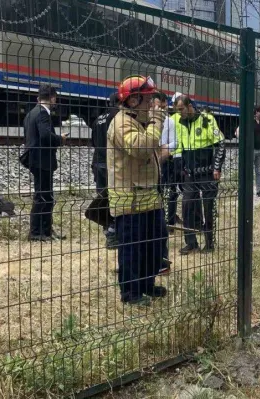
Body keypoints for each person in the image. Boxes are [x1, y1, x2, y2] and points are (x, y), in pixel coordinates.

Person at [107, 75, 169, 305]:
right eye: (148, 99)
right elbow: (140, 148)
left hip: (148, 196)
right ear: (133, 101)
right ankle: (130, 293)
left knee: (154, 242)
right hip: (129, 199)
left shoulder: (139, 121)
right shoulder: (122, 122)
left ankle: (147, 284)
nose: (154, 104)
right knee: (132, 248)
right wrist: (155, 123)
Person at [175, 95, 226, 255]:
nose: (179, 113)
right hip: (190, 173)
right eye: (177, 110)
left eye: (181, 109)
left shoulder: (206, 119)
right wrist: (182, 167)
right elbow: (180, 147)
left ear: (190, 106)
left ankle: (210, 243)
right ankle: (191, 242)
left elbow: (221, 144)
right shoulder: (180, 122)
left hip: (208, 172)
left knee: (208, 207)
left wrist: (217, 168)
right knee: (187, 205)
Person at [23, 84, 68, 241]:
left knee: (44, 195)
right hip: (42, 160)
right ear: (53, 98)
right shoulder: (43, 113)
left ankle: (46, 230)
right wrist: (60, 139)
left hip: (36, 159)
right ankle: (37, 232)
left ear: (39, 97)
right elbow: (45, 136)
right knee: (43, 196)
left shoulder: (31, 113)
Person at [90, 93, 120, 247]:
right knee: (115, 198)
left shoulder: (98, 119)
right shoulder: (117, 117)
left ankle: (107, 229)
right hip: (110, 163)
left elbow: (93, 142)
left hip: (97, 162)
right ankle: (113, 232)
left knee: (102, 198)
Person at [235, 105, 260, 197]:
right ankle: (245, 190)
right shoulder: (249, 121)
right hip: (251, 150)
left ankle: (258, 191)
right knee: (248, 171)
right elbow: (238, 131)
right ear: (256, 112)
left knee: (258, 171)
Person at [160, 92, 184, 228]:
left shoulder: (172, 119)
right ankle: (170, 218)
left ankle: (169, 219)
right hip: (174, 157)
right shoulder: (177, 119)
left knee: (168, 190)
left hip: (171, 157)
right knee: (173, 189)